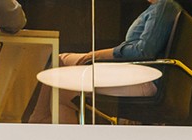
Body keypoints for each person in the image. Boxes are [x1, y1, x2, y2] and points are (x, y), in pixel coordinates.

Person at [28, 0, 181, 123]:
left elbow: (142, 51)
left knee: (61, 80)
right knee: (61, 76)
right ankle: (39, 120)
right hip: (138, 76)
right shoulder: (158, 8)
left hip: (146, 80)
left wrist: (98, 55)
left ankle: (38, 120)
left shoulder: (164, 6)